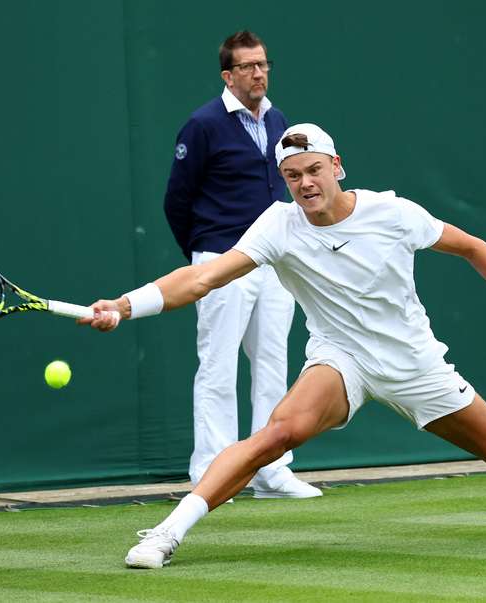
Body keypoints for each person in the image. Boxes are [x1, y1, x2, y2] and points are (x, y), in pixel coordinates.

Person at [82, 123, 486, 570]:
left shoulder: (394, 214)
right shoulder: (277, 225)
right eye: (292, 175)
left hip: (414, 364)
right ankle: (167, 533)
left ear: (336, 165)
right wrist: (125, 305)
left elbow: (472, 247)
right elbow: (204, 277)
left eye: (313, 170)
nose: (305, 184)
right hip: (342, 357)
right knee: (276, 435)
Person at [162, 31, 319, 499]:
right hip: (221, 259)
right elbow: (177, 199)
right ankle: (211, 473)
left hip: (275, 264)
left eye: (264, 65)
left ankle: (271, 471)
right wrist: (203, 253)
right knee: (217, 365)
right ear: (228, 76)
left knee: (273, 364)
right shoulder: (203, 125)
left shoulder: (280, 122)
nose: (259, 73)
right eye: (248, 67)